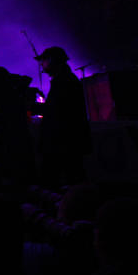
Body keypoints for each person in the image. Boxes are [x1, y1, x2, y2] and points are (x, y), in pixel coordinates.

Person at [32, 46, 92, 187]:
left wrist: (31, 106)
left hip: (63, 142)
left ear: (52, 60)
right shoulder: (66, 79)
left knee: (58, 181)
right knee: (74, 179)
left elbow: (56, 111)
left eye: (43, 61)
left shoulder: (63, 81)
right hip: (68, 142)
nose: (41, 65)